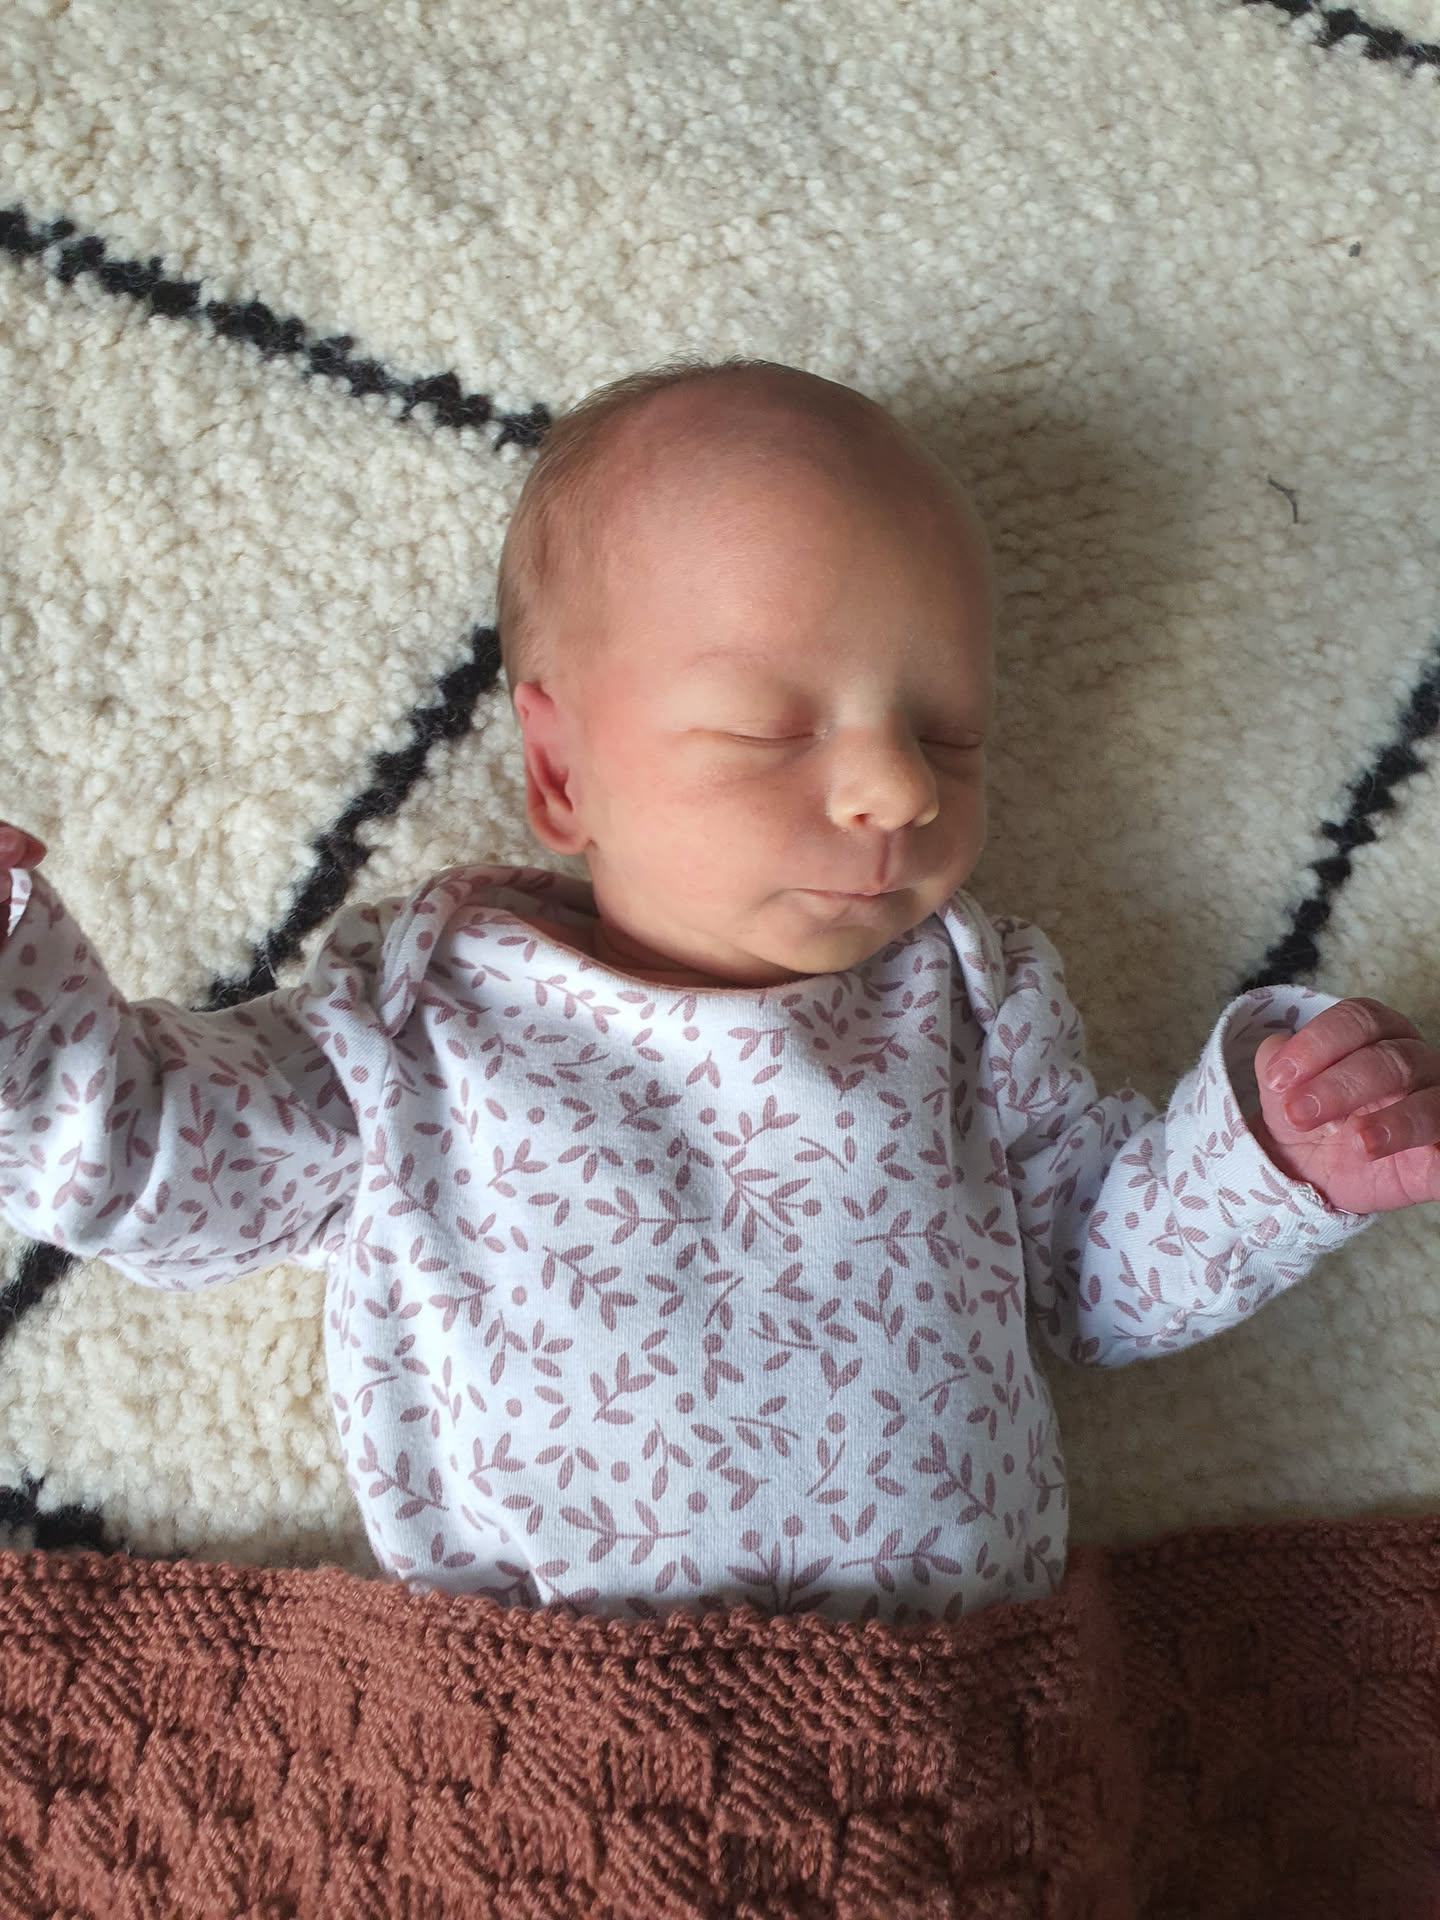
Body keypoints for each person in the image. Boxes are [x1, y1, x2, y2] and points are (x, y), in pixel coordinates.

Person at [3, 358, 1438, 1624]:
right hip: (543, 1719)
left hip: (957, 1714)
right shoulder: (424, 1020)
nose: (897, 787)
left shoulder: (964, 1002)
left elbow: (1093, 1276)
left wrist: (1265, 1161)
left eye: (950, 732)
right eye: (769, 727)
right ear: (560, 771)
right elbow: (151, 1153)